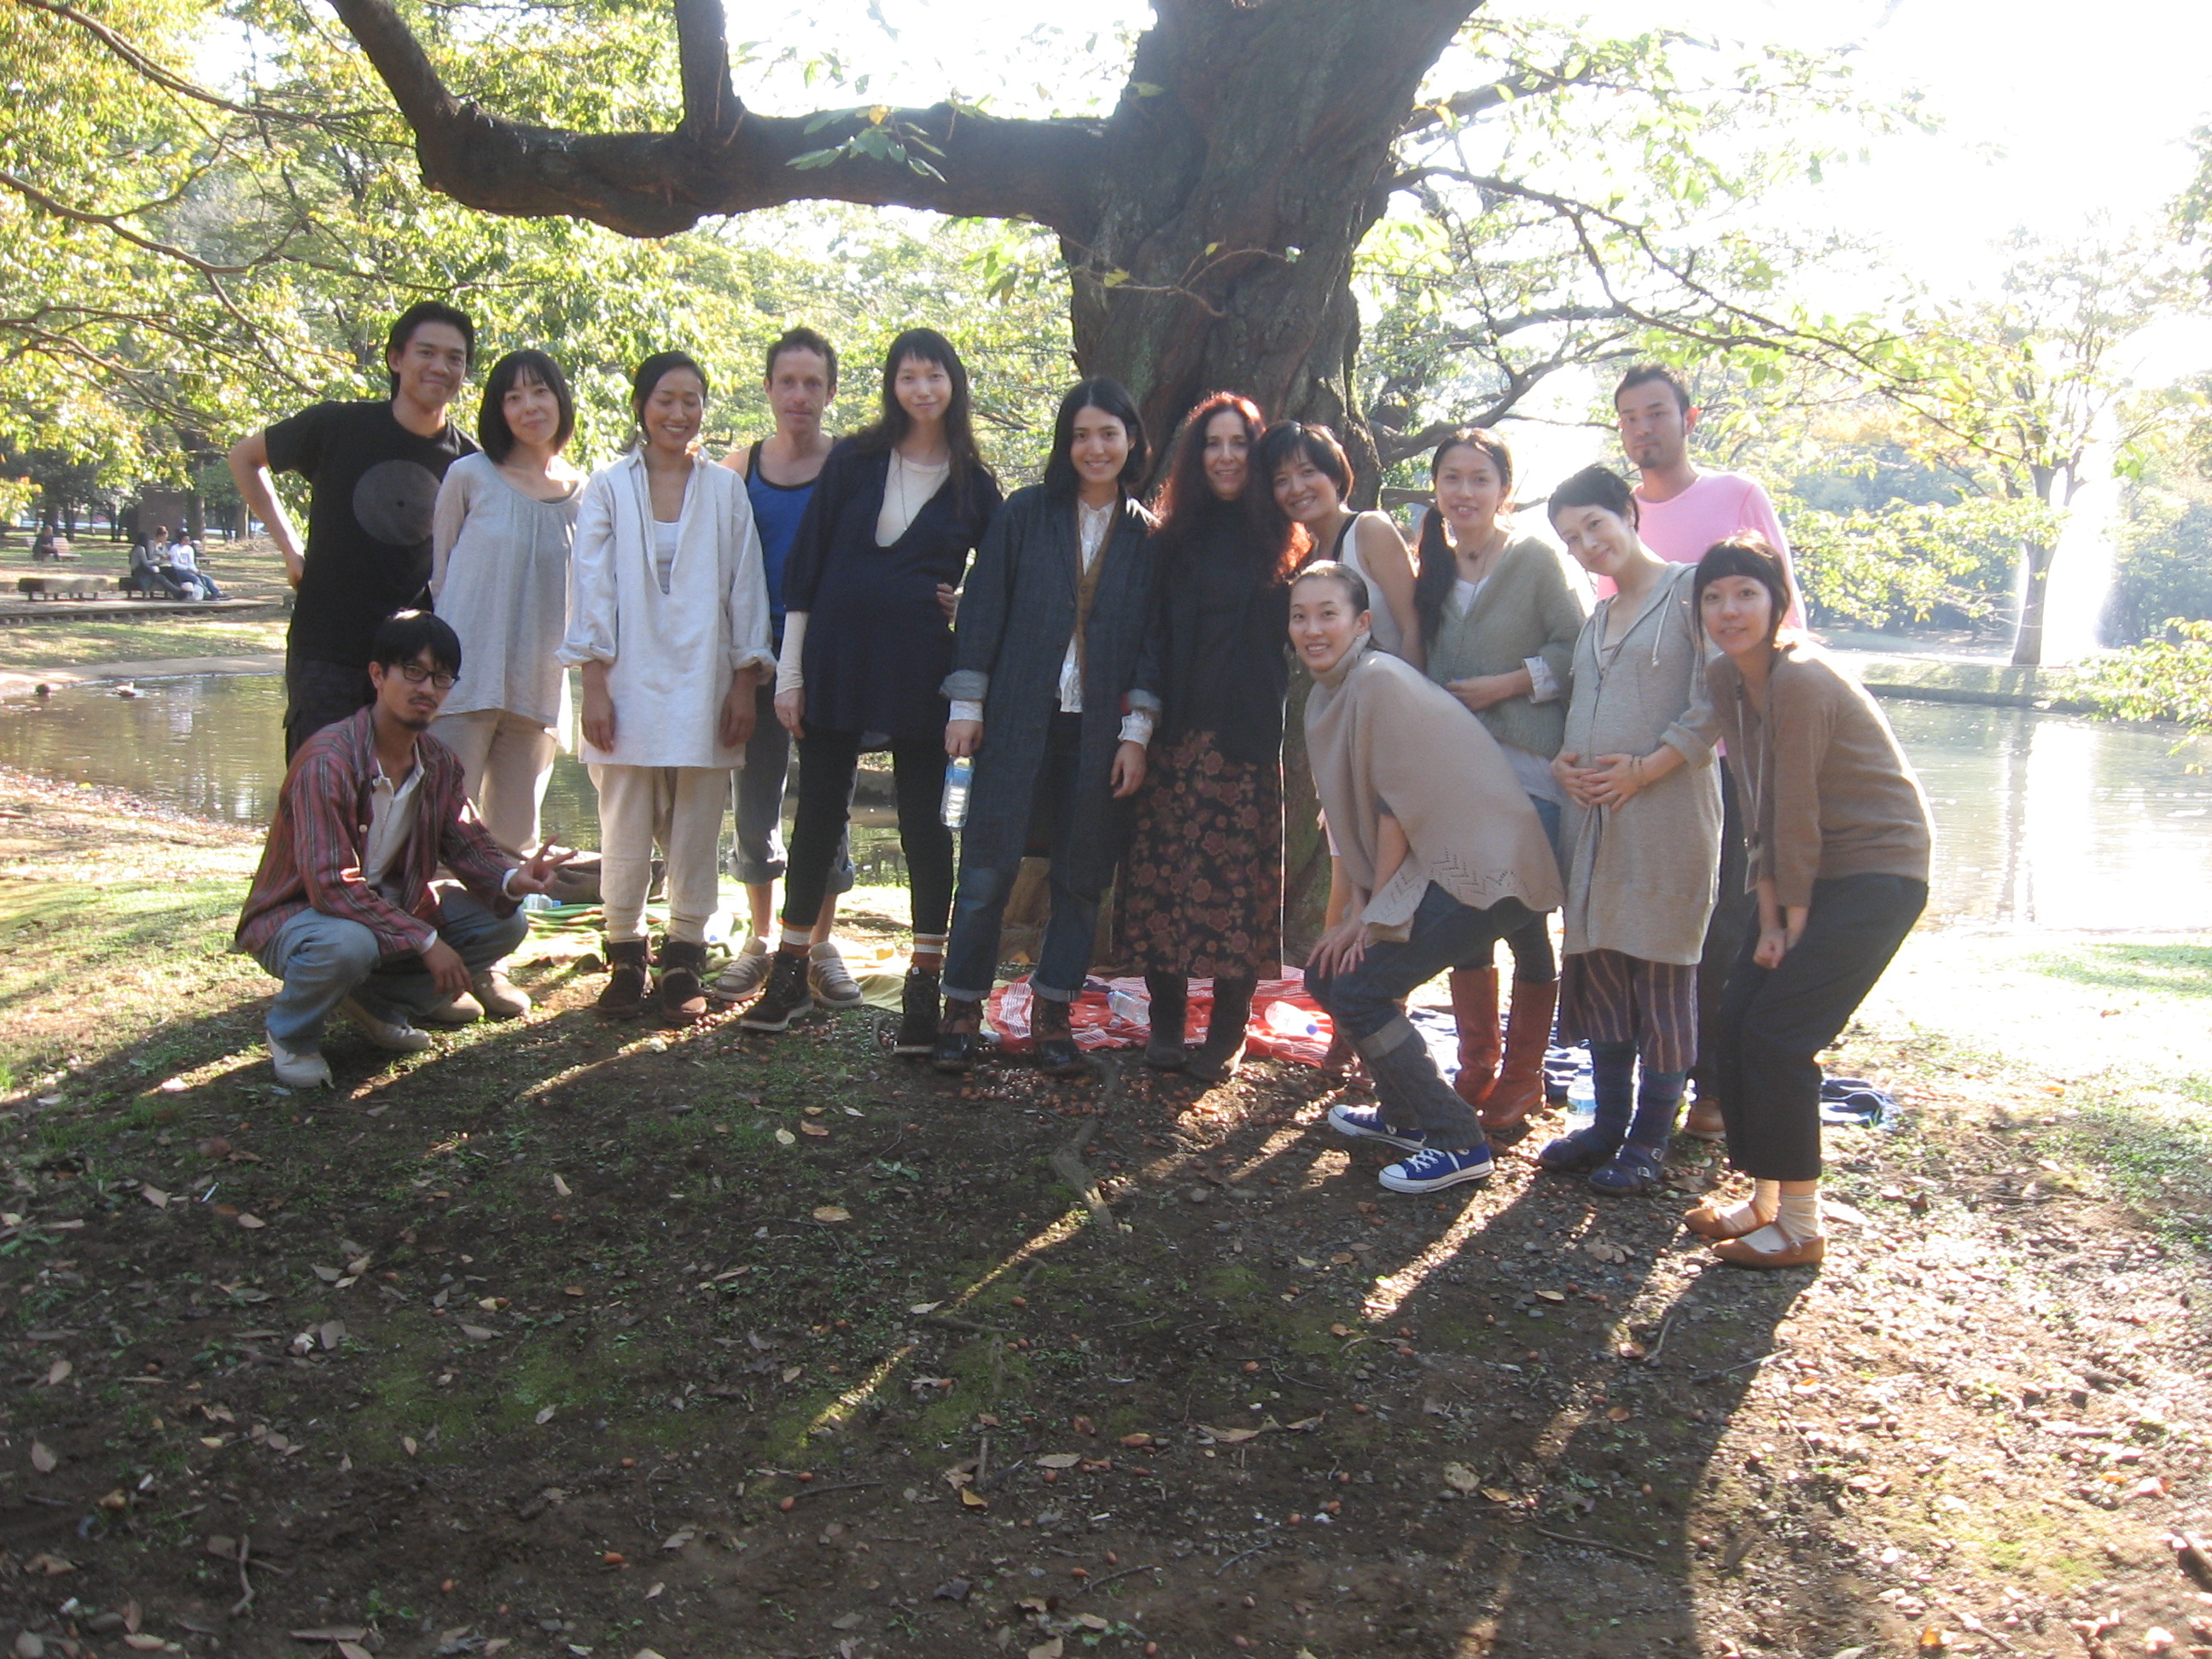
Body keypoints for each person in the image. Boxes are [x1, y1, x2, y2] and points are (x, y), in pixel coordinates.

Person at [743, 328, 1002, 1051]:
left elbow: (1006, 573)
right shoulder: (856, 458)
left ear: (953, 384)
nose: (921, 389)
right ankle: (789, 971)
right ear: (892, 385)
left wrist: (970, 604)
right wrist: (789, 674)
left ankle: (927, 983)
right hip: (835, 658)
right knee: (818, 814)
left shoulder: (973, 480)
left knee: (926, 826)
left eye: (934, 376)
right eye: (908, 376)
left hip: (923, 672)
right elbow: (805, 568)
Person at [1691, 535, 1930, 1268]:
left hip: (1877, 872)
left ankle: (1801, 1224)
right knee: (1737, 1017)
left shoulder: (1801, 678)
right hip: (1813, 871)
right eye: (1713, 597)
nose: (1729, 610)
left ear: (1777, 604)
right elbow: (1759, 805)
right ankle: (1766, 1199)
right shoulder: (1726, 679)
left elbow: (1794, 805)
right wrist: (1768, 915)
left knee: (1781, 1034)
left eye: (1746, 594)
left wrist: (1784, 921)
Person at [1299, 562, 1563, 1195]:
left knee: (1360, 987)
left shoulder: (1379, 681)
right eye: (1299, 615)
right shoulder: (1328, 692)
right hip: (1432, 865)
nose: (1312, 628)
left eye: (1328, 614)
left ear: (1361, 623)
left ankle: (1456, 1139)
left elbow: (1397, 809)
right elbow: (1358, 818)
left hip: (1483, 867)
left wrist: (1372, 914)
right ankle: (1405, 1117)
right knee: (1328, 975)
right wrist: (1362, 905)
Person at [234, 611, 572, 1089]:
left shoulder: (436, 762)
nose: (427, 688)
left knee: (504, 921)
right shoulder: (328, 761)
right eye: (412, 671)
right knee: (346, 943)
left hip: (384, 907)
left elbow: (467, 841)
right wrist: (426, 941)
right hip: (298, 914)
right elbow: (331, 887)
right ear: (378, 675)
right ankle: (292, 1036)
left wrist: (513, 880)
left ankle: (380, 1004)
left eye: (441, 677)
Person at [933, 378, 1158, 1077]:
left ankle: (1053, 1014)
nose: (1096, 447)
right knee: (985, 873)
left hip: (1097, 732)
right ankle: (963, 1010)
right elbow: (983, 613)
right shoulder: (1025, 515)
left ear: (1130, 443)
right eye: (1083, 434)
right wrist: (966, 709)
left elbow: (1156, 640)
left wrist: (1137, 732)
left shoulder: (1147, 535)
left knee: (1081, 878)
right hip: (1014, 720)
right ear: (1066, 443)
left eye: (1109, 434)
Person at [1615, 361, 1800, 1143]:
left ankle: (1715, 1088)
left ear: (1688, 419)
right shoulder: (1620, 517)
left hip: (1730, 751)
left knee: (1727, 919)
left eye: (1655, 412)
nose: (1642, 428)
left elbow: (1782, 606)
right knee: (1658, 917)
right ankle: (1655, 1072)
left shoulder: (1734, 496)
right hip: (1652, 757)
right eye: (1628, 418)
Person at [560, 352, 774, 1026]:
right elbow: (590, 588)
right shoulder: (608, 487)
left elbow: (746, 586)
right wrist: (595, 681)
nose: (678, 413)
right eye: (665, 399)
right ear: (641, 407)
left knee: (699, 815)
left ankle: (684, 952)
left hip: (706, 674)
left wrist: (744, 681)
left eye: (691, 400)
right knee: (622, 810)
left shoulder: (724, 489)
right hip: (625, 674)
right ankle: (624, 952)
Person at [1538, 465, 1722, 1196]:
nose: (1586, 545)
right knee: (1605, 969)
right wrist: (1561, 764)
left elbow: (1713, 705)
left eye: (1595, 525)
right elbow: (1578, 710)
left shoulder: (1689, 591)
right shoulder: (1597, 618)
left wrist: (1645, 770)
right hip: (1593, 822)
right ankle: (1607, 1125)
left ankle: (1651, 1138)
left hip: (1666, 818)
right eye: (1570, 538)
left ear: (1628, 514)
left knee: (1663, 973)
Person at [1115, 393, 1301, 1083]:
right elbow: (1148, 637)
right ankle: (1166, 1021)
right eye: (1212, 444)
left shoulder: (1284, 537)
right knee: (1165, 880)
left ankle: (1228, 1030)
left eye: (1239, 445)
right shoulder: (1169, 540)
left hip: (1248, 734)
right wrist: (1139, 728)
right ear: (1195, 458)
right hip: (1173, 734)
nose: (1226, 457)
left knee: (1238, 888)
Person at [1412, 428, 1589, 1139]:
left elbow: (1578, 647)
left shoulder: (1537, 560)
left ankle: (1525, 1074)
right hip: (1457, 777)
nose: (1464, 492)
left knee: (1522, 913)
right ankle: (1478, 1059)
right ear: (1437, 491)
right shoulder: (1430, 564)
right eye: (1452, 478)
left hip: (1530, 770)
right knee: (1465, 911)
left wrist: (1508, 685)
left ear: (1503, 491)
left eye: (1479, 479)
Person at [229, 300, 476, 758]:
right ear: (396, 359)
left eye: (455, 358)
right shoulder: (336, 426)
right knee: (316, 792)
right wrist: (289, 549)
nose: (440, 367)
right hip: (327, 646)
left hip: (415, 662)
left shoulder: (470, 465)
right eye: (426, 352)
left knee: (398, 806)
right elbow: (245, 459)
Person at [709, 328, 864, 1014]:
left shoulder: (854, 466)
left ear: (831, 392)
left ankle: (822, 946)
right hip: (755, 655)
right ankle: (762, 938)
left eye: (813, 383)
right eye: (787, 382)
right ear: (768, 388)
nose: (799, 396)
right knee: (754, 802)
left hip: (830, 658)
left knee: (828, 801)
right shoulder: (737, 468)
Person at [428, 349, 583, 867]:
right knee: (440, 820)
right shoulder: (469, 475)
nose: (528, 407)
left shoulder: (588, 493)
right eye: (512, 397)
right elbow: (442, 577)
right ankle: (421, 933)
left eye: (539, 391)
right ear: (498, 410)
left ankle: (494, 934)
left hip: (537, 687)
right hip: (464, 682)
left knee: (513, 837)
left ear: (559, 399)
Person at [1258, 422, 1421, 664]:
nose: (1297, 488)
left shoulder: (1369, 530)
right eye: (1281, 480)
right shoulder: (1309, 560)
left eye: (1307, 472)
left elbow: (1414, 627)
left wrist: (1410, 695)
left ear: (1335, 475)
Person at [131, 524, 190, 599]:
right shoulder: (141, 548)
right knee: (164, 576)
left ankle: (178, 591)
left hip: (145, 569)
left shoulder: (138, 548)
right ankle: (178, 592)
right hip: (140, 571)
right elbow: (145, 562)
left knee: (167, 574)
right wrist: (157, 561)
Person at [164, 531, 222, 599]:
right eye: (185, 540)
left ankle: (216, 593)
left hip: (189, 570)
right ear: (180, 540)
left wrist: (196, 570)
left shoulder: (189, 549)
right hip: (179, 571)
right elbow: (174, 563)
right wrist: (187, 568)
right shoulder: (175, 548)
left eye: (188, 540)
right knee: (195, 579)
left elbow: (191, 563)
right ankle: (206, 593)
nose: (187, 542)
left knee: (206, 578)